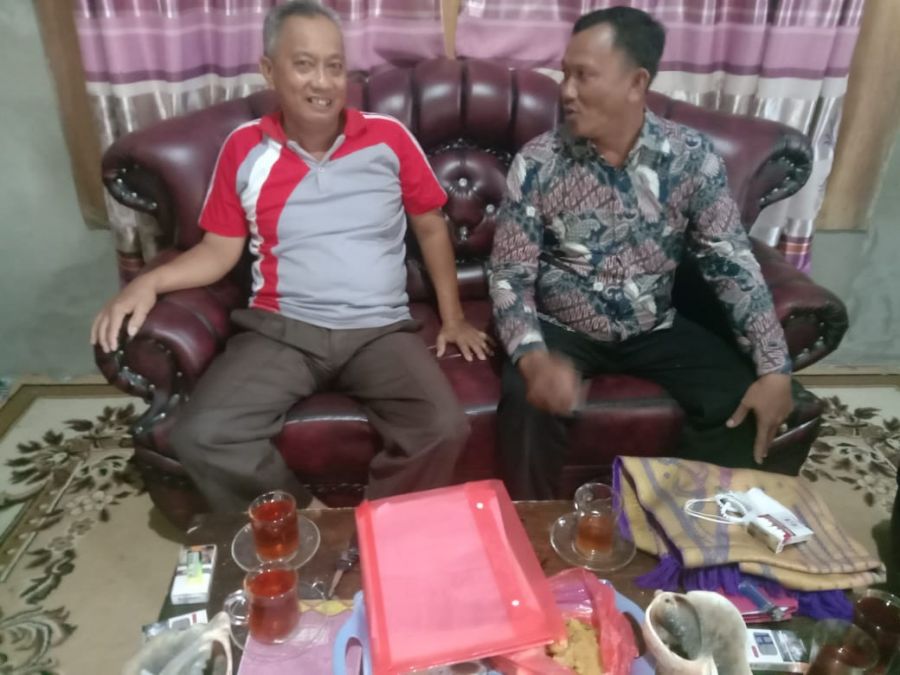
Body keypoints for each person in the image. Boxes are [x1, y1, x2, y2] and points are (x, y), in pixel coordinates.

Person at [90, 1, 490, 511]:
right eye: (304, 65)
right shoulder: (245, 149)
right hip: (282, 328)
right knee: (203, 434)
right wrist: (149, 282)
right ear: (269, 70)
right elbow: (217, 252)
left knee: (443, 427)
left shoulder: (388, 139)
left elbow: (431, 228)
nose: (322, 82)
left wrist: (452, 318)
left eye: (334, 66)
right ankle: (306, 527)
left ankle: (375, 530)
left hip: (379, 328)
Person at [489, 7, 796, 499]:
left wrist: (775, 367)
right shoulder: (539, 161)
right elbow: (510, 274)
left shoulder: (691, 158)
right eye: (565, 74)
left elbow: (730, 261)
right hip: (562, 326)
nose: (566, 91)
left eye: (583, 75)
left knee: (740, 400)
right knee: (526, 402)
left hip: (654, 324)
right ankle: (532, 528)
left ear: (637, 82)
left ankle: (686, 519)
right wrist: (532, 358)